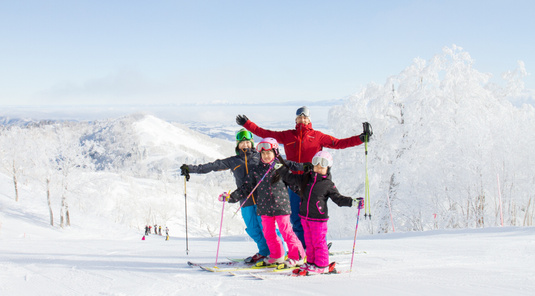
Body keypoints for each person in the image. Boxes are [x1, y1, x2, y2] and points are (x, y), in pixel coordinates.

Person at [236, 106, 372, 249]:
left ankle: (320, 246)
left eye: (305, 117)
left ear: (309, 119)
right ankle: (303, 249)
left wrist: (360, 139)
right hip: (293, 182)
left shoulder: (318, 136)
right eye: (300, 117)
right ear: (296, 120)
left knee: (315, 217)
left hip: (313, 182)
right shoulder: (288, 135)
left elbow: (338, 143)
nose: (302, 119)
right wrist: (247, 124)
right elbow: (264, 133)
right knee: (295, 218)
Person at [180, 129, 301, 264]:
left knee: (268, 229)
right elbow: (213, 166)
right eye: (242, 143)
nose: (245, 145)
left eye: (248, 142)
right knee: (253, 230)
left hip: (264, 200)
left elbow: (285, 166)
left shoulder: (260, 157)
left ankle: (280, 253)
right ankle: (264, 252)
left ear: (252, 144)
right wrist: (191, 169)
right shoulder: (234, 161)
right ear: (237, 145)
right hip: (245, 200)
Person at [220, 138, 306, 268]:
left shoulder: (279, 167)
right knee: (268, 233)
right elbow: (246, 187)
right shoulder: (256, 169)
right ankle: (277, 255)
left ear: (275, 153)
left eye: (269, 153)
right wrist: (231, 197)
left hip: (280, 205)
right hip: (264, 207)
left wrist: (305, 194)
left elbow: (292, 182)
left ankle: (298, 256)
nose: (266, 156)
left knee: (285, 230)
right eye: (263, 154)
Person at [278, 150, 361, 274]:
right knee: (309, 242)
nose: (319, 168)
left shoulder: (328, 184)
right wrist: (280, 168)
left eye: (323, 165)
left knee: (318, 242)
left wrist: (353, 202)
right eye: (316, 164)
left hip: (318, 219)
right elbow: (290, 178)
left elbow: (338, 199)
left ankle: (321, 265)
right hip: (305, 217)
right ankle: (311, 262)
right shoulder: (305, 179)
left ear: (328, 167)